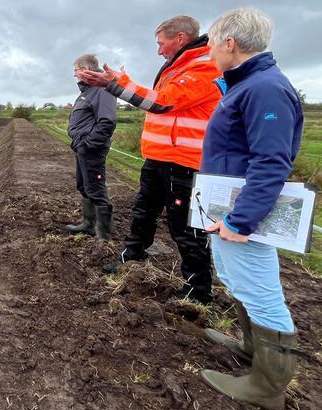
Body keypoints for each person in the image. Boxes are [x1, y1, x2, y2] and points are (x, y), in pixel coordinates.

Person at [199, 7, 303, 410]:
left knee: (260, 291)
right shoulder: (247, 86)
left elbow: (271, 160)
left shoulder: (264, 89)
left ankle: (268, 386)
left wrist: (241, 219)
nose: (208, 51)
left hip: (242, 214)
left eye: (210, 43)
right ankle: (250, 348)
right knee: (236, 278)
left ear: (230, 43)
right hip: (228, 207)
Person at [78, 16, 221, 303]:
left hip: (184, 161)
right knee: (142, 212)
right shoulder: (176, 67)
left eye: (161, 43)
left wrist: (116, 85)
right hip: (158, 158)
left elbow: (163, 102)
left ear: (180, 38)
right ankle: (132, 257)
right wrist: (121, 82)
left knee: (184, 227)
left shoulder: (205, 66)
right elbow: (158, 98)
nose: (158, 50)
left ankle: (198, 290)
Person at [66, 54, 118, 239]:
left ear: (86, 69)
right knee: (84, 185)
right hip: (82, 148)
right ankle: (88, 224)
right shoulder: (87, 92)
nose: (75, 75)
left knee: (96, 188)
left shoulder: (101, 90)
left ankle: (104, 236)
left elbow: (107, 121)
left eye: (76, 71)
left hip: (91, 150)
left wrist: (89, 144)